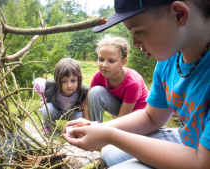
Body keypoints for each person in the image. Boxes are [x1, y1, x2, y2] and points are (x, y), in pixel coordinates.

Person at [61, 0, 210, 168]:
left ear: (179, 14)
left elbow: (203, 163)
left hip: (202, 158)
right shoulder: (168, 61)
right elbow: (152, 117)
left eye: (139, 31)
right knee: (110, 152)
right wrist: (97, 128)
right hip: (189, 139)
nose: (134, 43)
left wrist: (110, 135)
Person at [83, 35, 149, 122]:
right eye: (101, 59)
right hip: (121, 107)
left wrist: (102, 131)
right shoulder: (99, 76)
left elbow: (123, 118)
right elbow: (87, 105)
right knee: (95, 92)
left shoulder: (133, 83)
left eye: (111, 61)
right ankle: (95, 126)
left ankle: (97, 132)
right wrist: (87, 125)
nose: (104, 65)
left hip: (139, 115)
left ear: (123, 62)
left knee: (123, 133)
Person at [34, 58, 89, 133]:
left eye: (73, 80)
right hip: (56, 111)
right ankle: (49, 128)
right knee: (46, 109)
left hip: (73, 112)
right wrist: (44, 98)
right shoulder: (51, 86)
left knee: (83, 115)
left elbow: (89, 96)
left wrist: (83, 104)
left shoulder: (83, 90)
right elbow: (36, 82)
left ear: (78, 79)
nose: (69, 85)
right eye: (64, 81)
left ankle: (74, 130)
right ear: (57, 80)